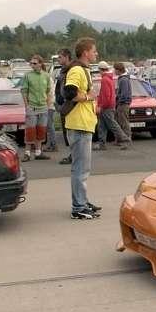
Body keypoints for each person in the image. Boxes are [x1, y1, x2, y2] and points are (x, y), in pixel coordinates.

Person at [63, 37, 102, 219]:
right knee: (80, 169)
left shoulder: (83, 69)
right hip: (79, 125)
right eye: (94, 51)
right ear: (86, 52)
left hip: (84, 124)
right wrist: (89, 97)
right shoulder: (77, 70)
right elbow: (69, 92)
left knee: (83, 168)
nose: (96, 54)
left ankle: (82, 201)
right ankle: (78, 207)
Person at [20, 54, 52, 161]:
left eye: (34, 63)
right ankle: (27, 153)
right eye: (31, 63)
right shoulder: (28, 76)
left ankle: (38, 152)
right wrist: (27, 106)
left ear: (40, 64)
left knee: (41, 130)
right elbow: (24, 91)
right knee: (30, 131)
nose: (32, 65)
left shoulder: (46, 76)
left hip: (43, 107)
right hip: (32, 107)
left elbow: (48, 91)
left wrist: (47, 105)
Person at [95, 61, 130, 150]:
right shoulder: (110, 79)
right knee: (102, 125)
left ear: (100, 69)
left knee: (112, 124)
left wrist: (101, 106)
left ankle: (124, 138)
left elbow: (106, 95)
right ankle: (102, 144)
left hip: (107, 106)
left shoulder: (105, 79)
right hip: (109, 105)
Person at [55, 49, 73, 165]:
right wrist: (58, 103)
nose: (58, 59)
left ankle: (73, 155)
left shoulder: (72, 70)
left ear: (67, 57)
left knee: (71, 131)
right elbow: (59, 88)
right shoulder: (62, 70)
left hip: (69, 105)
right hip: (62, 105)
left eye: (60, 57)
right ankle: (72, 153)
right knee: (67, 132)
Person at [114, 62, 135, 146]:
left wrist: (119, 101)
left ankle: (127, 140)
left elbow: (124, 94)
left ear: (118, 70)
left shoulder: (124, 80)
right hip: (121, 103)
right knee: (119, 122)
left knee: (124, 122)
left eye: (115, 69)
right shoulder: (122, 79)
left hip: (123, 104)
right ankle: (120, 140)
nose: (114, 71)